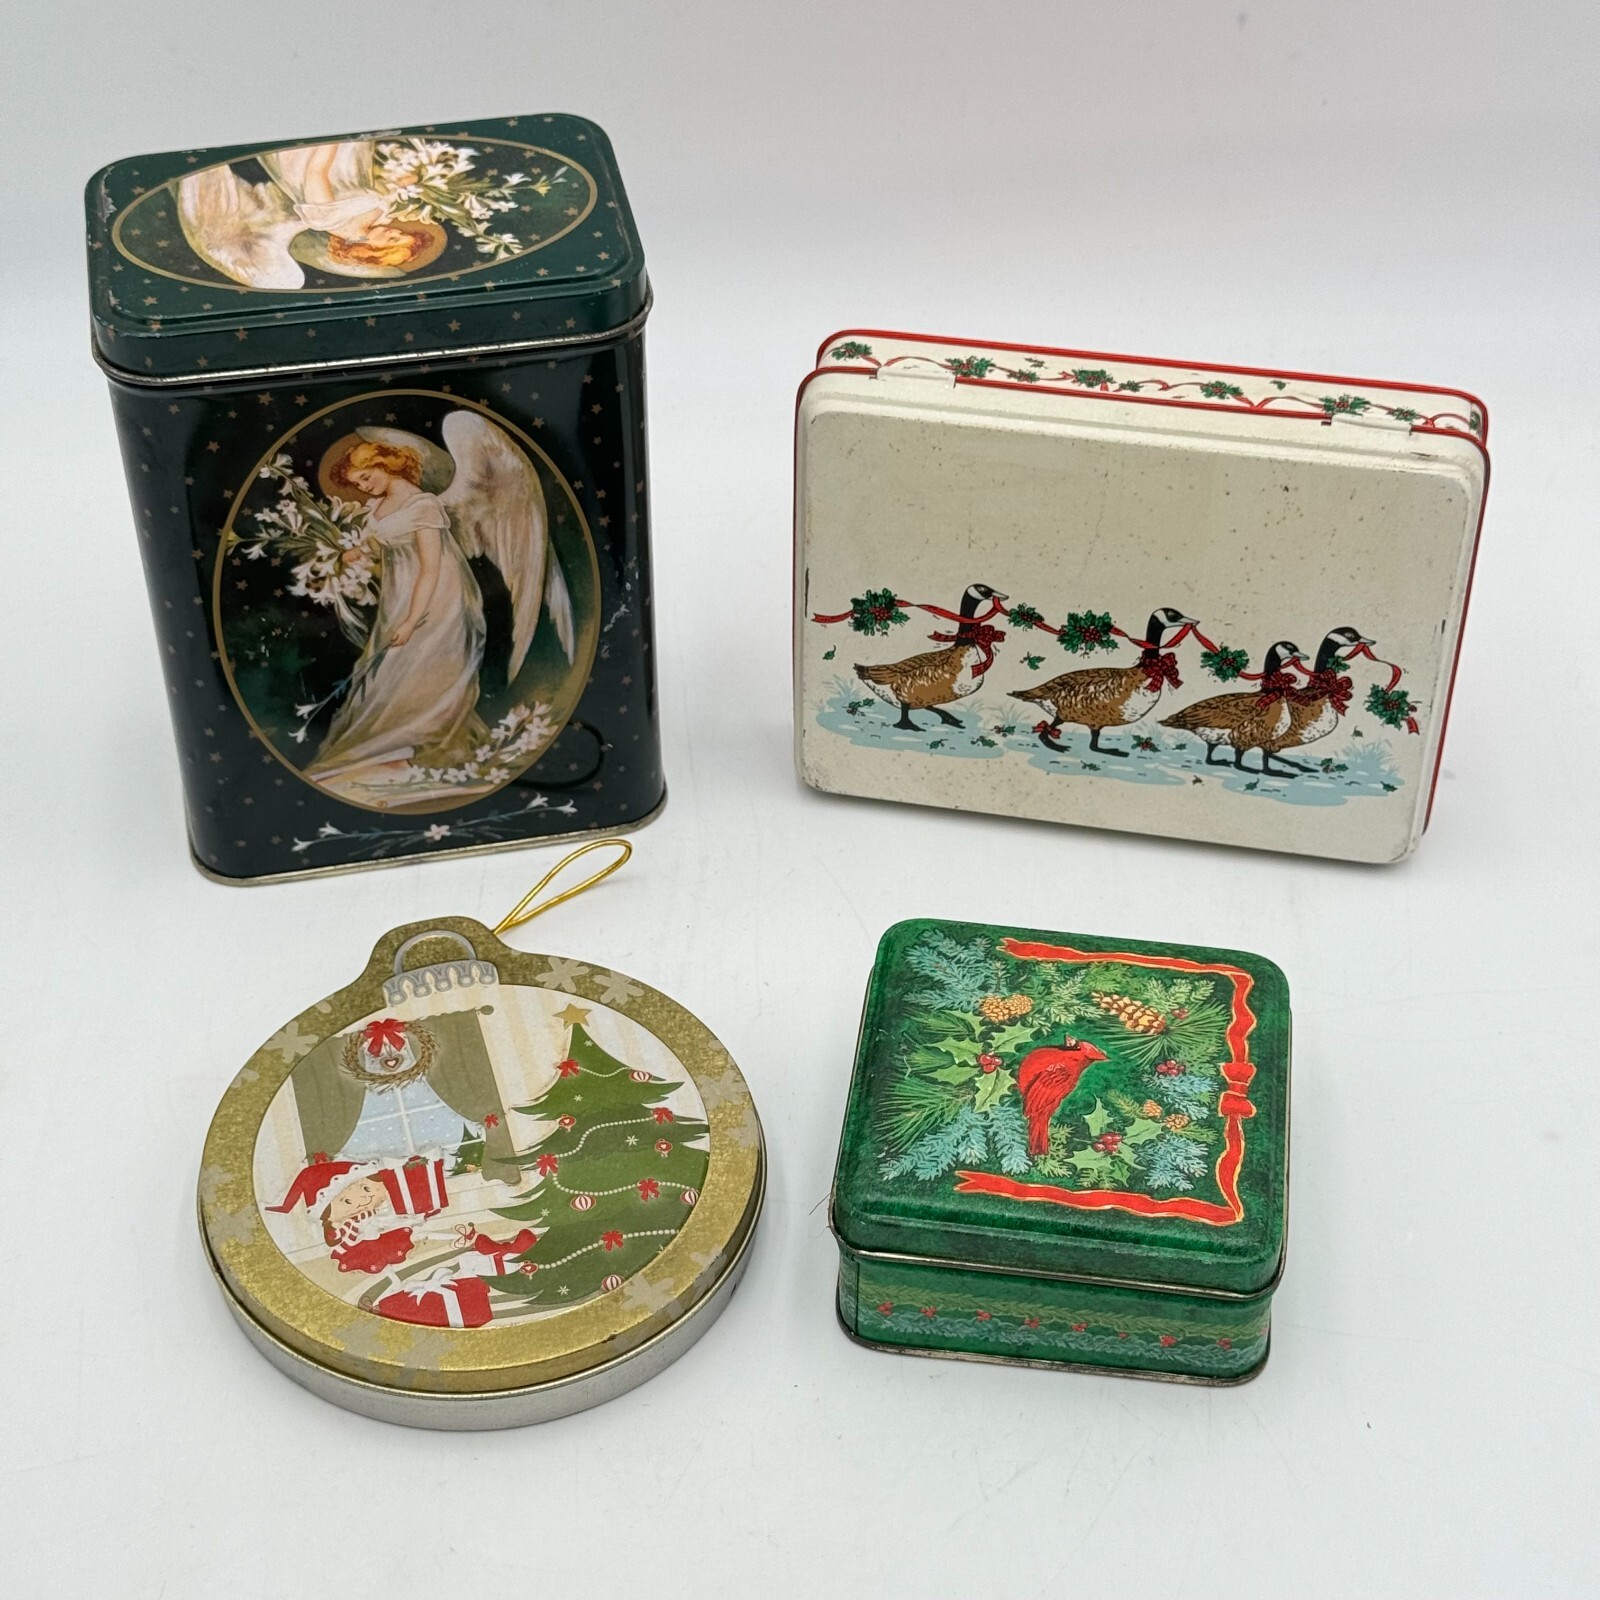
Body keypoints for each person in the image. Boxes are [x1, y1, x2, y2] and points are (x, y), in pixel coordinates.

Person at [304, 439, 489, 799]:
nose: (363, 487)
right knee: (388, 671)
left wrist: (411, 620)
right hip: (398, 595)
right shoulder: (377, 506)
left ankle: (408, 751)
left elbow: (431, 569)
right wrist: (351, 555)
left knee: (417, 668)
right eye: (357, 483)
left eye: (365, 477)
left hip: (434, 598)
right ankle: (395, 754)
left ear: (385, 464)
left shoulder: (424, 505)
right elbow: (379, 545)